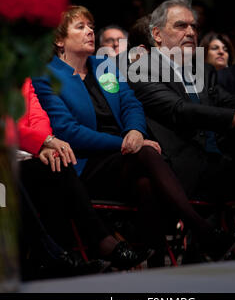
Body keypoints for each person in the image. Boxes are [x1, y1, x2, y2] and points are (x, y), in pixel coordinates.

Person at [32, 5, 235, 263]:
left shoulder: (102, 65)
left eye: (91, 26)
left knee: (146, 182)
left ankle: (151, 254)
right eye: (80, 27)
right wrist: (127, 141)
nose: (90, 31)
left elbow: (131, 103)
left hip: (126, 157)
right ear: (58, 39)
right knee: (147, 154)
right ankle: (201, 229)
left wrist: (134, 130)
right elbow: (69, 131)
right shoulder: (46, 76)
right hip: (86, 164)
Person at [127, 0, 235, 256]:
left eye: (193, 26)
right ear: (157, 34)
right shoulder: (140, 68)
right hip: (179, 168)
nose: (191, 32)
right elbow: (180, 111)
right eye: (181, 26)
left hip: (215, 160)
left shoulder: (200, 69)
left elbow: (227, 100)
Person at [18, 78, 150, 277]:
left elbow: (37, 115)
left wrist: (46, 145)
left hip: (24, 154)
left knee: (58, 162)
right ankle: (54, 256)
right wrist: (43, 141)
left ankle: (86, 246)